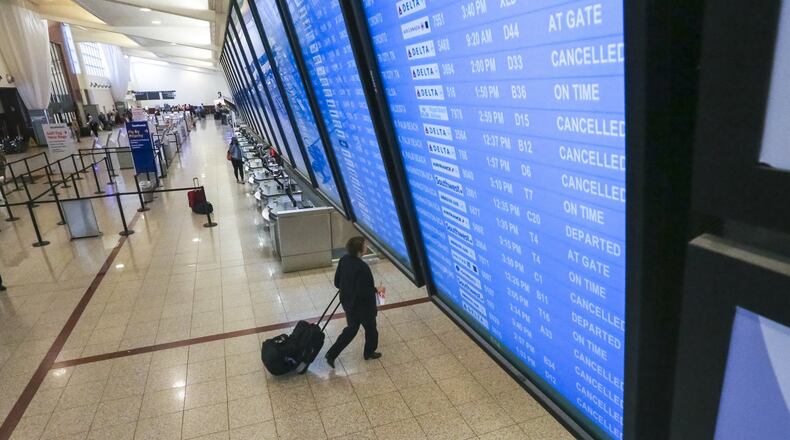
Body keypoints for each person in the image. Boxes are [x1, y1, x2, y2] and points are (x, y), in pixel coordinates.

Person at [325, 236, 385, 367]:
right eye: (365, 245)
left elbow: (337, 283)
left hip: (348, 304)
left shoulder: (343, 260)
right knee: (371, 330)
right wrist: (377, 289)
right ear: (360, 250)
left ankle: (331, 354)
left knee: (351, 330)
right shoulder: (363, 268)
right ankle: (369, 353)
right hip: (363, 308)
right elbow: (365, 292)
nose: (366, 246)